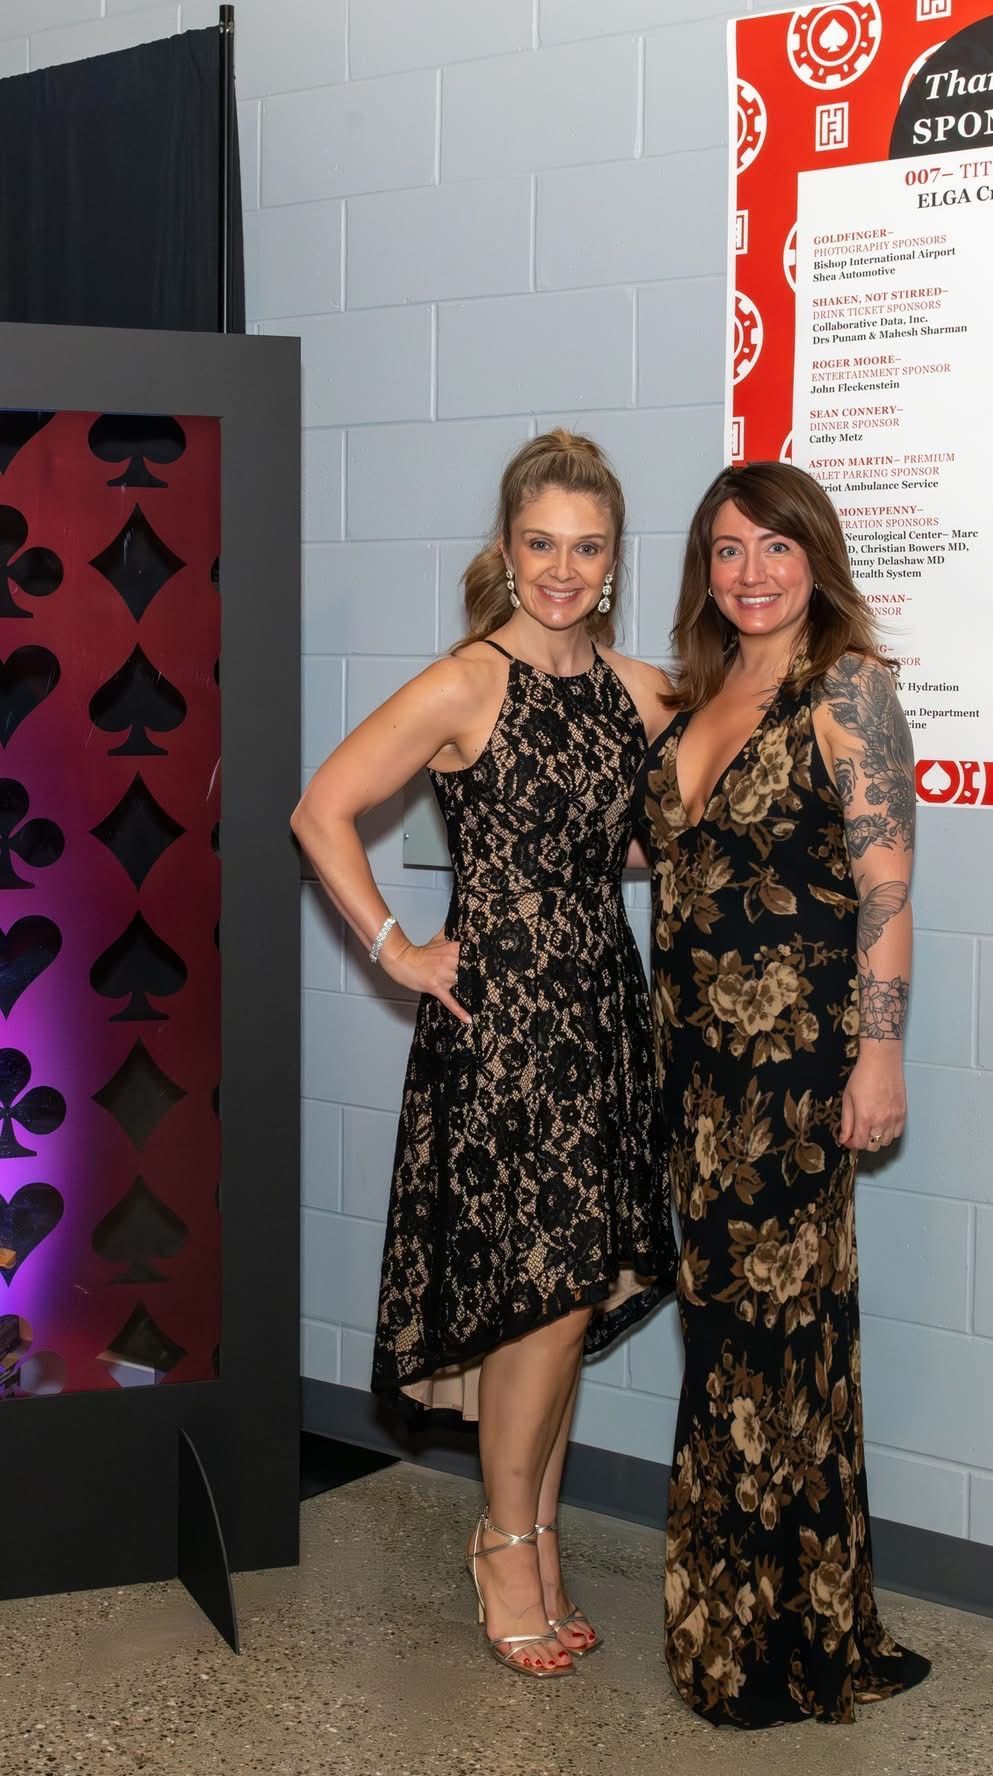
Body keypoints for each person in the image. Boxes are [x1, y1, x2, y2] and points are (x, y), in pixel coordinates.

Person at [292, 430, 677, 1679]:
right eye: (539, 544)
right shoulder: (469, 681)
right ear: (506, 551)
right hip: (501, 1026)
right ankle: (503, 1544)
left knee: (560, 1304)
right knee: (540, 1296)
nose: (562, 569)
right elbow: (321, 807)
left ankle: (531, 1533)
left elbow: (632, 838)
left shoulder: (640, 690)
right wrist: (397, 951)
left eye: (586, 546)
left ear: (614, 559)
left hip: (601, 1014)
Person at [634, 460, 931, 1726]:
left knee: (772, 1349)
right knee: (736, 1340)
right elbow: (672, 859)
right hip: (691, 1076)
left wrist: (880, 1055)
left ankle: (760, 1645)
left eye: (772, 547)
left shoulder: (847, 690)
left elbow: (886, 893)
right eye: (723, 551)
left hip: (794, 1075)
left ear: (817, 557)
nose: (748, 574)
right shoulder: (699, 694)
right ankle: (806, 1620)